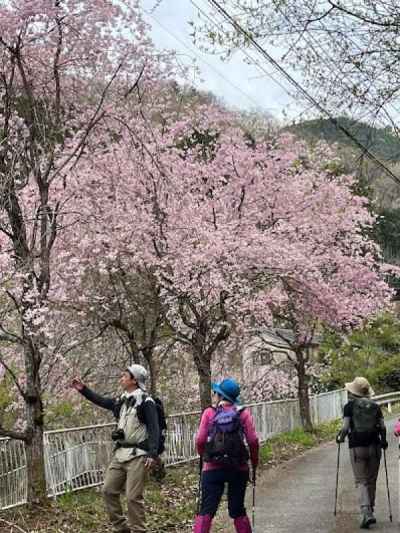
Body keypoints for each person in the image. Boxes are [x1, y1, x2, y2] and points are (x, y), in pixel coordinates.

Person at [71, 364, 159, 533]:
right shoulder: (122, 400)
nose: (121, 378)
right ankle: (122, 528)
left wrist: (152, 453)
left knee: (133, 497)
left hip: (139, 455)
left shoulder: (146, 402)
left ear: (134, 380)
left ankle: (139, 530)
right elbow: (103, 401)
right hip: (120, 454)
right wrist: (83, 390)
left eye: (125, 376)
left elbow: (154, 427)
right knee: (108, 490)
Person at [193, 378, 259, 533]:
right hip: (238, 467)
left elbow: (200, 440)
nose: (214, 395)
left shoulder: (209, 413)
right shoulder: (243, 414)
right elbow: (253, 441)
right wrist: (254, 463)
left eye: (215, 393)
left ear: (220, 396)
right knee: (237, 510)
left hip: (212, 468)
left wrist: (205, 456)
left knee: (206, 510)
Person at [336, 377, 387, 529]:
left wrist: (340, 438)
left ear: (353, 392)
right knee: (371, 480)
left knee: (361, 480)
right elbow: (383, 427)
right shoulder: (376, 407)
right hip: (375, 446)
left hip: (357, 447)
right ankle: (370, 510)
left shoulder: (349, 407)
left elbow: (345, 428)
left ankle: (366, 512)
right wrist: (383, 441)